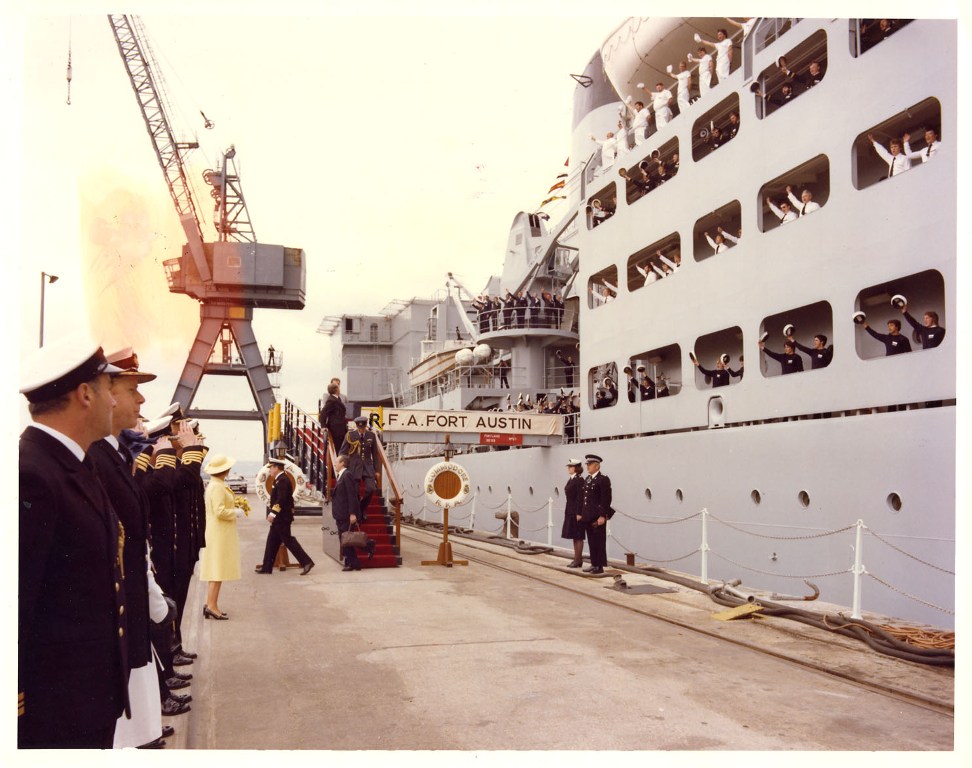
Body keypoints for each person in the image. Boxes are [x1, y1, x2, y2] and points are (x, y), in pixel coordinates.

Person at [18, 336, 130, 748]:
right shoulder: (31, 475)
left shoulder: (75, 466)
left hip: (89, 700)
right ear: (85, 394)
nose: (114, 403)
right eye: (107, 391)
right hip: (53, 714)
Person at [86, 347, 168, 748]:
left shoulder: (112, 457)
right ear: (105, 391)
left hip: (131, 622)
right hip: (114, 635)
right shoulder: (97, 460)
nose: (141, 399)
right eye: (133, 388)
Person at [199, 453, 241, 620]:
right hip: (219, 532)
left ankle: (210, 603)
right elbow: (219, 511)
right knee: (217, 570)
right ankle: (212, 606)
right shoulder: (217, 486)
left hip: (217, 531)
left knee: (216, 569)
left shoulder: (216, 484)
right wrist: (235, 512)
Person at [255, 459, 315, 576]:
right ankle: (267, 566)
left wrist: (273, 513)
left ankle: (307, 562)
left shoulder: (282, 480)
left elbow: (281, 499)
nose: (270, 470)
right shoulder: (279, 479)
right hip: (281, 518)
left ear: (277, 468)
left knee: (288, 541)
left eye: (271, 468)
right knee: (271, 541)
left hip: (282, 518)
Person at [340, 415, 380, 517]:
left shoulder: (371, 435)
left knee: (371, 489)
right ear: (357, 426)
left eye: (363, 428)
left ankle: (362, 508)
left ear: (366, 426)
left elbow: (375, 454)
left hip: (367, 466)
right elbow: (343, 452)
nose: (361, 430)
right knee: (355, 491)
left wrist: (377, 470)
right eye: (359, 428)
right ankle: (358, 512)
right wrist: (342, 467)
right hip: (354, 467)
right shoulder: (350, 435)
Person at [331, 454, 365, 571]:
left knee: (346, 539)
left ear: (342, 463)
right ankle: (352, 563)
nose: (334, 463)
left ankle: (354, 563)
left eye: (336, 462)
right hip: (340, 514)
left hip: (345, 514)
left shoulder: (347, 475)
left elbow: (352, 496)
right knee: (344, 539)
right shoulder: (341, 476)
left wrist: (352, 513)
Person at [580, 455, 612, 575]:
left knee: (599, 541)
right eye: (587, 464)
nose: (587, 466)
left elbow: (606, 499)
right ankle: (594, 563)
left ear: (597, 466)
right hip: (589, 516)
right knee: (592, 541)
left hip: (598, 516)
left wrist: (602, 516)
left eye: (589, 464)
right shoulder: (588, 479)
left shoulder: (603, 479)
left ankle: (599, 566)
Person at [562, 459, 587, 568]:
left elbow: (580, 498)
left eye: (571, 466)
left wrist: (579, 513)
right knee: (574, 535)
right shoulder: (572, 479)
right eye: (569, 466)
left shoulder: (579, 480)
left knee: (578, 536)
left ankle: (578, 560)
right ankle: (576, 559)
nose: (569, 468)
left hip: (576, 512)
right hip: (570, 510)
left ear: (576, 468)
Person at [320, 382, 348, 451]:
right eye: (338, 387)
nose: (340, 389)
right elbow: (323, 412)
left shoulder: (336, 398)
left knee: (342, 446)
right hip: (336, 428)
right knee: (338, 447)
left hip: (340, 427)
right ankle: (338, 461)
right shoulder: (331, 400)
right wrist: (323, 426)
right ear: (336, 390)